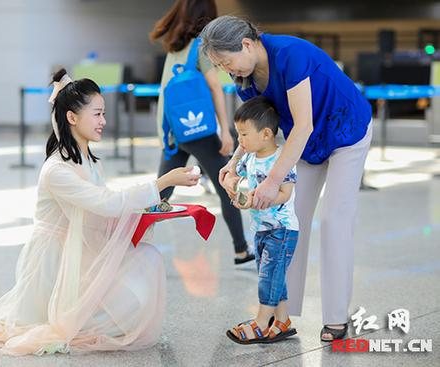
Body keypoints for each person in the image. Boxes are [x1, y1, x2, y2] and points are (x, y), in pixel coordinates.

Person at [0, 69, 201, 356]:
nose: (104, 121)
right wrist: (163, 182)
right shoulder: (57, 170)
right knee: (79, 320)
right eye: (97, 114)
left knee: (146, 259)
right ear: (72, 118)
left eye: (103, 114)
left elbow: (105, 205)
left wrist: (145, 209)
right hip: (55, 258)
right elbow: (106, 203)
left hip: (82, 246)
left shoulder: (87, 159)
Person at [200, 15, 373, 341]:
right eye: (221, 66)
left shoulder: (290, 55)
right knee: (287, 220)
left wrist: (271, 181)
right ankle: (282, 316)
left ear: (247, 44)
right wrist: (234, 163)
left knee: (336, 221)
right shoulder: (247, 80)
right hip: (305, 146)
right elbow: (257, 133)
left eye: (227, 61)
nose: (228, 71)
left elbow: (304, 124)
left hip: (346, 132)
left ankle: (336, 318)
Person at [149, 0, 253, 265]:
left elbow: (165, 92)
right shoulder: (201, 47)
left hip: (175, 132)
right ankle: (241, 250)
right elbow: (216, 88)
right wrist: (226, 131)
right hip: (201, 132)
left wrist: (165, 134)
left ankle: (128, 241)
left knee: (161, 191)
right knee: (225, 187)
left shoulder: (174, 46)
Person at [225, 96, 298, 344]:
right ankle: (283, 321)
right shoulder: (250, 156)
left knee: (269, 277)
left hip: (282, 229)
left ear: (266, 134)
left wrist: (256, 199)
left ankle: (260, 322)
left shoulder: (282, 159)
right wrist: (234, 187)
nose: (240, 141)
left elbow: (285, 194)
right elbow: (236, 177)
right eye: (238, 134)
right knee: (273, 275)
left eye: (244, 134)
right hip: (261, 229)